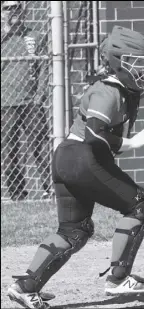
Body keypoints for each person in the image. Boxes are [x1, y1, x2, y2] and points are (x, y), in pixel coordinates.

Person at [7, 25, 144, 309]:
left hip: (70, 159)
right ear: (119, 62)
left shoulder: (126, 86)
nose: (143, 66)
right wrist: (132, 143)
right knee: (137, 203)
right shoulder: (106, 90)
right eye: (136, 61)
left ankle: (25, 286)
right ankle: (119, 278)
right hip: (83, 156)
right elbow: (96, 134)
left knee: (74, 230)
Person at [1, 1, 51, 201]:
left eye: (16, 7)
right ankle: (17, 193)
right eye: (8, 8)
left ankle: (51, 189)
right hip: (5, 103)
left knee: (41, 146)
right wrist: (5, 30)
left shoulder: (35, 36)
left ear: (23, 10)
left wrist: (39, 97)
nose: (13, 11)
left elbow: (44, 69)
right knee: (8, 150)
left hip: (31, 103)